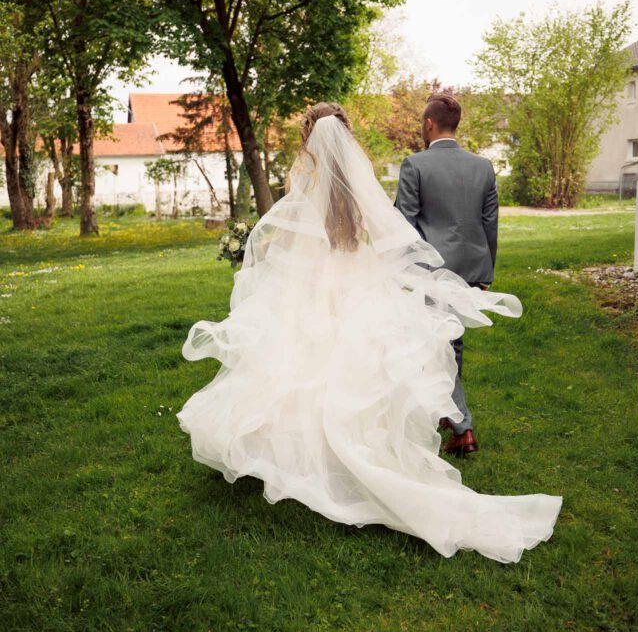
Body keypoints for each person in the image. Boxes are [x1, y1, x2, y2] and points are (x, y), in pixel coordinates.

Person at [177, 103, 561, 562]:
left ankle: (308, 459)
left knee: (299, 365)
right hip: (355, 283)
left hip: (315, 286)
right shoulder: (361, 188)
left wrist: (256, 246)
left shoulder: (306, 179)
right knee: (352, 371)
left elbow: (293, 238)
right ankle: (353, 452)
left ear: (309, 138)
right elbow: (383, 237)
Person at [395, 92, 498, 456]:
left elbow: (404, 224)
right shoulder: (483, 166)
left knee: (442, 344)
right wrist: (486, 271)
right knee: (449, 342)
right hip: (471, 267)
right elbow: (489, 223)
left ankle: (462, 426)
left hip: (431, 271)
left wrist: (400, 271)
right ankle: (448, 415)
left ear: (428, 124)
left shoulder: (415, 165)